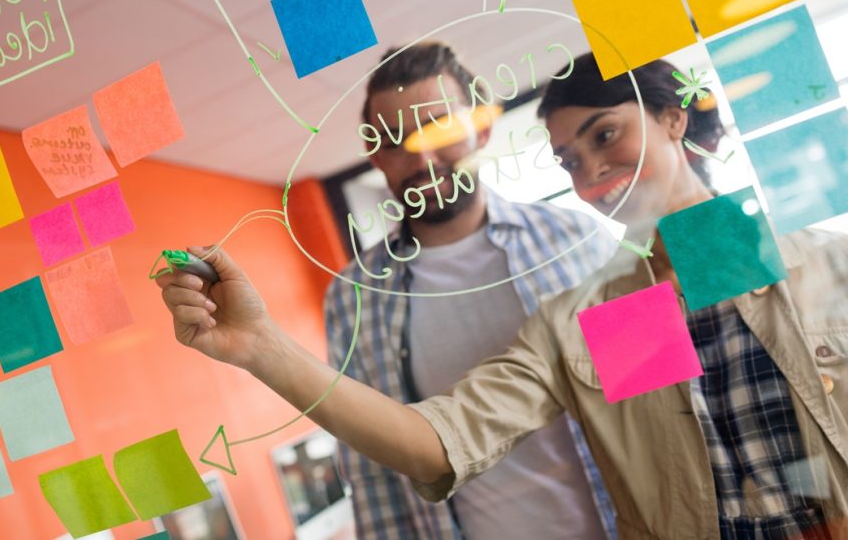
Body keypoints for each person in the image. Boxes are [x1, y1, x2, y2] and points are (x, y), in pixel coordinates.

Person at [156, 53, 848, 538]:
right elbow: (439, 443)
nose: (591, 173)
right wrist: (261, 349)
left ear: (670, 118)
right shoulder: (602, 318)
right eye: (568, 161)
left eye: (606, 134)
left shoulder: (823, 264)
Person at [324, 42, 617, 539]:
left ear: (481, 126)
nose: (422, 157)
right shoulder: (354, 295)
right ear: (375, 155)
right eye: (395, 140)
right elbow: (370, 467)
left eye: (439, 128)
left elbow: (651, 397)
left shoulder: (577, 239)